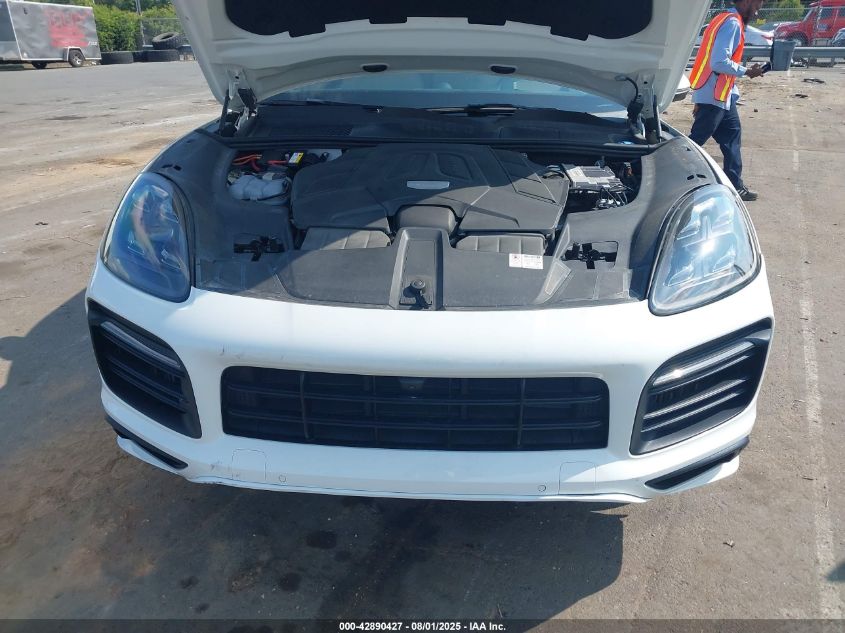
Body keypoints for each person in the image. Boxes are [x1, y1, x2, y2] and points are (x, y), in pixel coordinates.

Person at [689, 0, 765, 202]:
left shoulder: (723, 18)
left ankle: (735, 185)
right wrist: (747, 71)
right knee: (695, 142)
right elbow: (718, 62)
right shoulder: (732, 23)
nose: (758, 11)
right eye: (757, 5)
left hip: (722, 95)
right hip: (713, 95)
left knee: (732, 138)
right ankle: (670, 176)